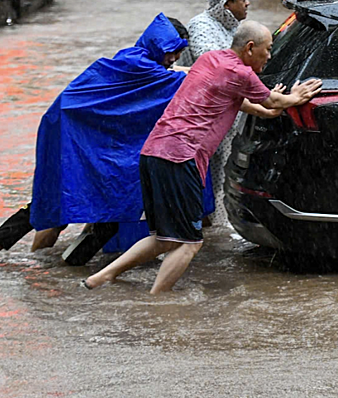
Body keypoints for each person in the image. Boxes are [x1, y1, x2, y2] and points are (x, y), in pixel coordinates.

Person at [82, 21, 322, 294]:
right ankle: (156, 303)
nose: (270, 56)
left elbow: (252, 105)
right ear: (250, 48)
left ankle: (101, 278)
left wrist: (274, 105)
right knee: (189, 243)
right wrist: (295, 96)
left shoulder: (211, 60)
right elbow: (273, 103)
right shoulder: (241, 73)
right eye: (268, 50)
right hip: (180, 158)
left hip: (153, 153)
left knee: (163, 239)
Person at [0, 15, 190, 263]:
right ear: (158, 45)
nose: (174, 58)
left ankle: (46, 268)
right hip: (71, 135)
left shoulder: (133, 60)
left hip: (73, 133)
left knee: (51, 205)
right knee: (54, 207)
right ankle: (58, 267)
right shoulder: (145, 70)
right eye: (172, 51)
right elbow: (185, 78)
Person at [181, 0, 252, 226]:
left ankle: (216, 226)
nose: (247, 4)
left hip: (229, 118)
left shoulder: (235, 28)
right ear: (226, 3)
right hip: (204, 121)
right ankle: (205, 225)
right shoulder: (200, 26)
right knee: (206, 175)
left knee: (224, 175)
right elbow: (210, 64)